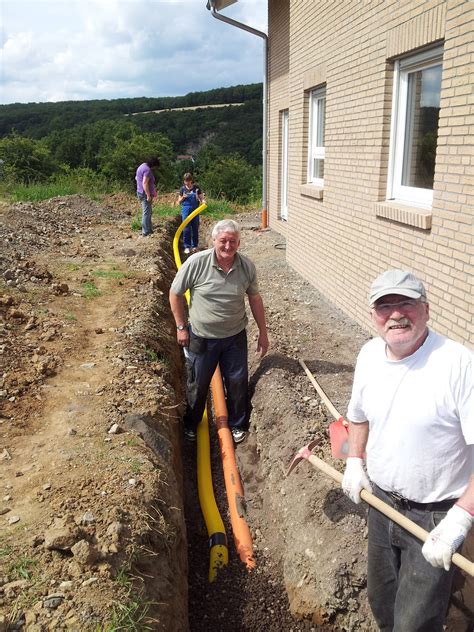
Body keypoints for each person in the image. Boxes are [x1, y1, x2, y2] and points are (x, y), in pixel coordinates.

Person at [342, 269, 473, 631]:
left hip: (434, 516)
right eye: (385, 306)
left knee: (415, 621)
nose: (396, 314)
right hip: (382, 504)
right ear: (373, 316)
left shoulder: (458, 365)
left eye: (406, 304)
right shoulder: (369, 355)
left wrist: (459, 519)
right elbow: (358, 416)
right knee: (382, 600)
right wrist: (355, 460)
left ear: (426, 310)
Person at [169, 219, 269, 443]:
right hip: (202, 338)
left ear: (239, 243)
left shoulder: (246, 267)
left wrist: (263, 332)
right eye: (223, 240)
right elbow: (175, 294)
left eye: (232, 241)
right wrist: (181, 327)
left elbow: (255, 299)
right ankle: (192, 423)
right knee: (198, 382)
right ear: (214, 240)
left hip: (234, 337)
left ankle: (237, 424)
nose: (227, 246)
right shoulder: (196, 263)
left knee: (237, 381)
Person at [177, 173, 204, 254]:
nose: (187, 183)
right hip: (186, 209)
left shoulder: (196, 188)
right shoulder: (182, 189)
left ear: (191, 181)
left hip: (195, 209)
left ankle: (195, 246)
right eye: (185, 182)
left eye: (188, 182)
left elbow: (201, 197)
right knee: (186, 228)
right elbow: (178, 202)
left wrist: (203, 201)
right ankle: (187, 246)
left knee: (195, 227)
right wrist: (183, 197)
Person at [135, 156, 160, 237]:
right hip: (144, 193)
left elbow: (137, 178)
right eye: (155, 166)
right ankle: (145, 232)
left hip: (140, 192)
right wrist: (148, 195)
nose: (155, 168)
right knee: (146, 213)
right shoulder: (147, 170)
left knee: (148, 212)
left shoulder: (142, 166)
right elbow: (145, 183)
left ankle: (149, 230)